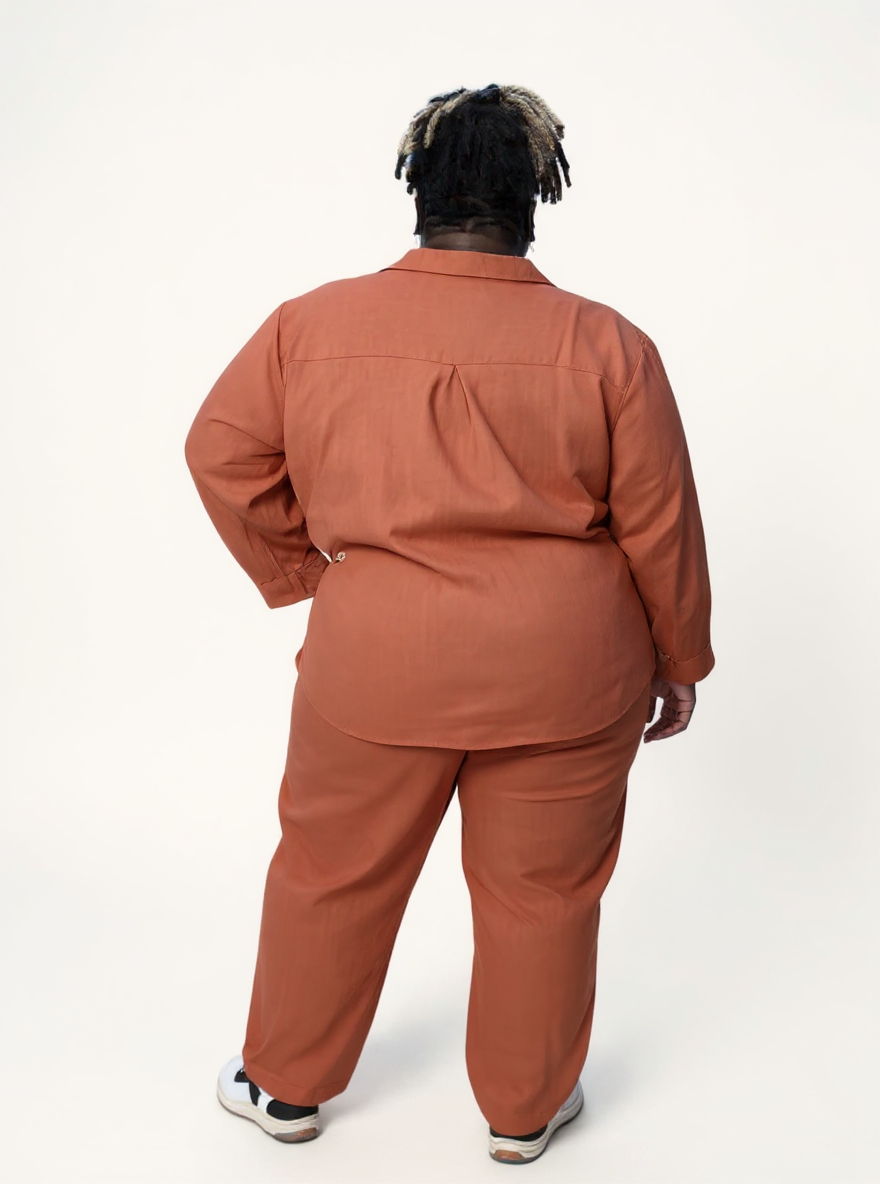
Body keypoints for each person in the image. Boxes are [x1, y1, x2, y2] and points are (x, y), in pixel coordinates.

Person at [184, 82, 714, 1166]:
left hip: (375, 660)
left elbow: (220, 452)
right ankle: (524, 1109)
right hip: (567, 671)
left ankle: (283, 1087)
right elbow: (661, 522)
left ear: (418, 189)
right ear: (535, 196)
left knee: (331, 872)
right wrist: (680, 658)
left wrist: (309, 573)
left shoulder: (310, 324)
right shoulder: (608, 343)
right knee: (543, 896)